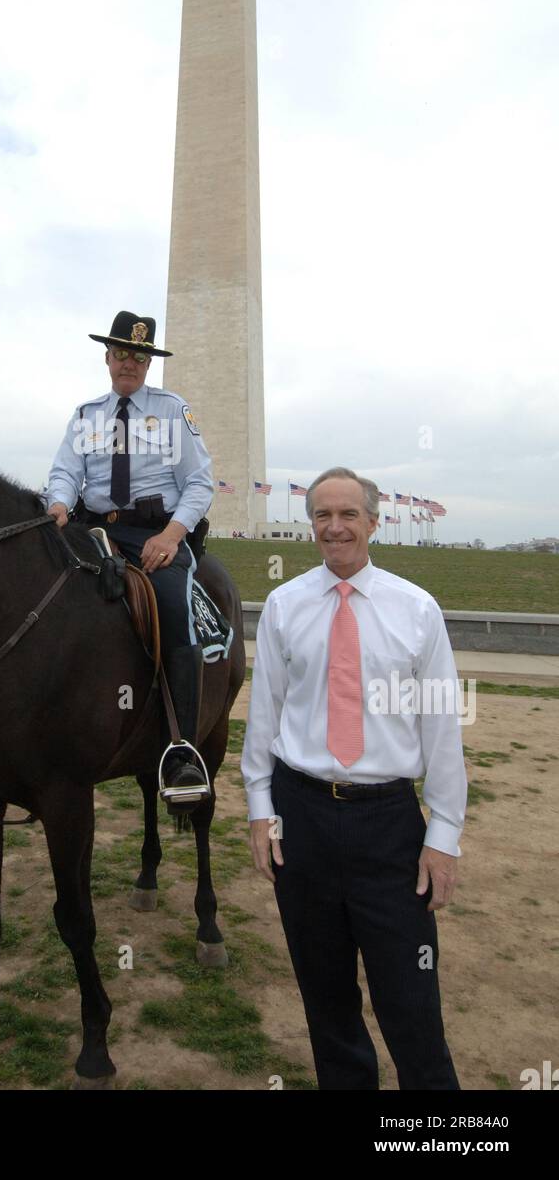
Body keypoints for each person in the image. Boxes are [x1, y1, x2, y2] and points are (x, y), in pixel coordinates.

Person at [242, 466, 467, 1090]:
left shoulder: (417, 610)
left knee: (411, 1000)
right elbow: (266, 718)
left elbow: (441, 730)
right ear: (310, 523)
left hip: (387, 824)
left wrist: (443, 834)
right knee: (326, 998)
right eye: (322, 516)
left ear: (372, 521)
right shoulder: (285, 606)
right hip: (302, 817)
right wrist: (261, 810)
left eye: (347, 515)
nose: (334, 527)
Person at [45, 311, 214, 805]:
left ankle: (182, 749)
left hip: (152, 533)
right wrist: (57, 504)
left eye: (139, 356)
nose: (129, 363)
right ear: (107, 358)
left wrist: (173, 534)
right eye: (121, 353)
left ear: (148, 362)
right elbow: (63, 473)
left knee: (174, 609)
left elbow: (199, 482)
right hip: (92, 530)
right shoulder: (86, 415)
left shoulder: (171, 409)